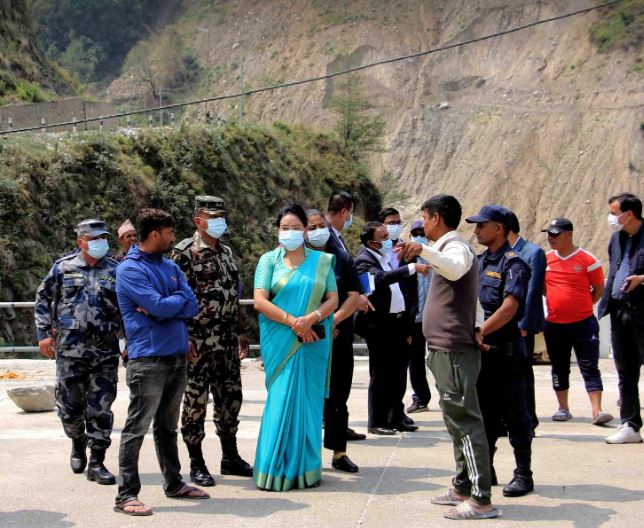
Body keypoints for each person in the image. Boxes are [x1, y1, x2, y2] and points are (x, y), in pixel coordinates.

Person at [396, 195, 499, 520]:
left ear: (436, 218)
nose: (422, 226)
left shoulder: (455, 249)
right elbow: (474, 298)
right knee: (456, 422)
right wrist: (480, 325)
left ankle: (481, 499)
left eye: (425, 218)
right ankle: (462, 485)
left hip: (454, 352)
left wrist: (423, 250)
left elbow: (455, 270)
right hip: (446, 349)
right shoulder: (448, 250)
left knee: (466, 423)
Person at [114, 209, 208, 516]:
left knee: (168, 427)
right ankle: (126, 495)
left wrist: (166, 306)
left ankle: (174, 483)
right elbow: (157, 305)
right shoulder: (129, 269)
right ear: (155, 234)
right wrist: (165, 305)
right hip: (148, 360)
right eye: (169, 233)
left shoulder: (169, 266)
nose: (172, 238)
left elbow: (190, 304)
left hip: (176, 357)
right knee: (136, 427)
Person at [253, 203, 339, 491]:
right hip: (281, 339)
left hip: (312, 341)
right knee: (281, 400)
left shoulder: (323, 261)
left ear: (305, 230)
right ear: (278, 231)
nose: (289, 233)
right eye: (284, 228)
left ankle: (306, 470)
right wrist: (293, 321)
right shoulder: (268, 260)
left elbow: (332, 299)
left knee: (309, 402)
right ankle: (273, 470)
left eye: (295, 227)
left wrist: (312, 318)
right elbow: (260, 301)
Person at [172, 196, 252, 487]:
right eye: (212, 216)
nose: (219, 220)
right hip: (198, 343)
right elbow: (176, 300)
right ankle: (196, 463)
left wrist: (242, 331)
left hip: (228, 342)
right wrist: (183, 338)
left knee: (230, 399)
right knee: (195, 403)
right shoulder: (183, 254)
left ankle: (230, 457)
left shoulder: (227, 252)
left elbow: (234, 295)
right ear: (198, 220)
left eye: (221, 215)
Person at [35, 219, 120, 485]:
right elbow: (43, 299)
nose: (100, 243)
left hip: (105, 352)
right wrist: (44, 334)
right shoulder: (63, 268)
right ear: (81, 242)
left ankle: (97, 460)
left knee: (101, 407)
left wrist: (130, 343)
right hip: (70, 351)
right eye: (94, 239)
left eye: (103, 237)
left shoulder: (116, 270)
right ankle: (77, 440)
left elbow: (127, 308)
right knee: (70, 407)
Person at [465, 205, 533, 498]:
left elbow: (509, 308)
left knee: (517, 415)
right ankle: (486, 469)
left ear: (500, 229)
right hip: (482, 354)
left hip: (507, 353)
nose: (477, 230)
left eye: (483, 225)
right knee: (484, 415)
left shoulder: (513, 263)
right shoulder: (478, 262)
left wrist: (481, 330)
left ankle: (523, 473)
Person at [355, 222, 425, 435]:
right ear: (372, 243)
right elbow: (378, 279)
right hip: (379, 327)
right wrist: (411, 267)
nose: (389, 240)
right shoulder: (364, 261)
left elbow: (406, 289)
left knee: (398, 372)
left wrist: (408, 325)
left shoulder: (390, 258)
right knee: (381, 374)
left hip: (399, 324)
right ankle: (377, 420)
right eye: (383, 237)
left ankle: (395, 416)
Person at [305, 208, 361, 473]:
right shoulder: (297, 259)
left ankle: (339, 453)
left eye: (320, 225)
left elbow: (353, 295)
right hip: (306, 338)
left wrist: (333, 321)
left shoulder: (341, 258)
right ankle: (307, 453)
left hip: (339, 337)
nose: (317, 231)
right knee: (309, 398)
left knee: (339, 397)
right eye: (311, 226)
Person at [541, 217, 612, 426]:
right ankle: (563, 408)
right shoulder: (545, 259)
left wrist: (580, 306)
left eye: (555, 234)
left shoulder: (587, 260)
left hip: (583, 324)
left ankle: (597, 411)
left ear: (569, 235)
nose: (551, 238)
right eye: (549, 234)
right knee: (559, 366)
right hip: (554, 325)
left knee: (589, 366)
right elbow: (543, 288)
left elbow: (598, 289)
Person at [599, 193, 644, 444]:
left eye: (615, 213)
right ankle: (630, 424)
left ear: (629, 214)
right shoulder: (616, 239)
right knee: (625, 371)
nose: (611, 218)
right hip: (620, 310)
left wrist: (642, 279)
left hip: (642, 310)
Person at [324, 189, 367, 441]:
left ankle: (339, 428)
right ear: (344, 212)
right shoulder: (328, 239)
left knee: (341, 382)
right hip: (334, 322)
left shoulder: (336, 237)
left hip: (340, 318)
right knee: (337, 382)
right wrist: (333, 319)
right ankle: (335, 430)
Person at [508, 212, 546, 433]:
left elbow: (532, 291)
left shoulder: (533, 252)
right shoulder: (502, 253)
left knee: (523, 374)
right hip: (503, 325)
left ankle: (528, 420)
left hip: (520, 326)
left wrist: (523, 325)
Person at [406, 219, 432, 414]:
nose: (419, 236)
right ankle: (421, 397)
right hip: (415, 319)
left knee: (441, 359)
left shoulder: (436, 256)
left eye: (422, 232)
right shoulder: (406, 258)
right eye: (416, 233)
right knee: (415, 361)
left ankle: (449, 396)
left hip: (434, 318)